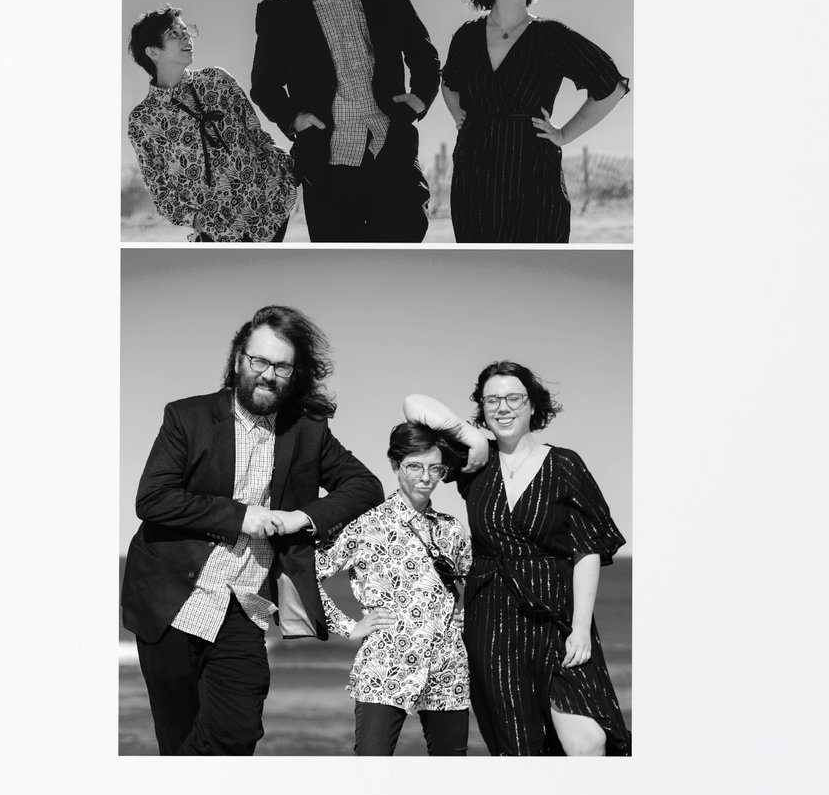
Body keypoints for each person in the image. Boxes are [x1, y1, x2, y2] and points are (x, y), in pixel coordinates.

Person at [120, 306, 381, 756]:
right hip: (173, 600)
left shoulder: (308, 431)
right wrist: (242, 516)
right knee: (178, 735)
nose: (268, 374)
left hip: (245, 606)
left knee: (238, 732)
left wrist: (304, 516)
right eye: (259, 361)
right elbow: (153, 499)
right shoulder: (188, 417)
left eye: (281, 366)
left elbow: (366, 486)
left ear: (294, 373)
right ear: (239, 358)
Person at [427, 359, 630, 756]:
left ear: (533, 405)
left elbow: (587, 549)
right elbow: (413, 404)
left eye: (514, 398)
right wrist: (472, 436)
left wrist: (581, 628)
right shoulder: (473, 464)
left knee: (587, 741)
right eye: (492, 401)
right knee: (518, 745)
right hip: (492, 620)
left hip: (555, 617)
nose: (503, 408)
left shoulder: (565, 464)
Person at [249, 0, 442, 243]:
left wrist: (420, 99)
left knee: (406, 247)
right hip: (328, 165)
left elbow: (422, 51)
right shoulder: (279, 13)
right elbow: (265, 85)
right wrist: (294, 119)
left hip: (392, 148)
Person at [438, 0, 631, 243]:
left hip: (532, 173)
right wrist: (461, 118)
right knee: (481, 272)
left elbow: (611, 86)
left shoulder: (550, 36)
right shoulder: (466, 36)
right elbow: (449, 83)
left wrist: (564, 134)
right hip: (474, 174)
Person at [316, 413, 477, 757]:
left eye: (436, 469)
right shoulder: (365, 524)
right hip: (385, 667)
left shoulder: (451, 528)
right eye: (415, 467)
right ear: (395, 464)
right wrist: (349, 627)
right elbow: (308, 576)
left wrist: (468, 617)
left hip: (448, 669)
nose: (426, 477)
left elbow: (475, 584)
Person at [125, 8, 297, 242]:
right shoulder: (144, 120)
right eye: (174, 33)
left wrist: (281, 170)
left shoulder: (217, 80)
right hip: (221, 231)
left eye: (186, 30)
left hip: (271, 204)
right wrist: (198, 220)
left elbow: (257, 134)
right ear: (153, 52)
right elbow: (161, 192)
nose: (186, 37)